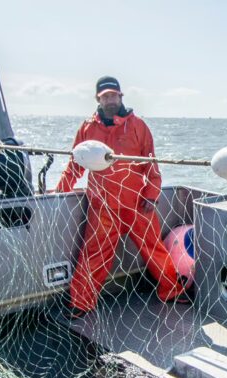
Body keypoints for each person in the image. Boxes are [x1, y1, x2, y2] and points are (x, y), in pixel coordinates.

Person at [56, 76, 188, 317]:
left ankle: (172, 291)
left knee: (154, 249)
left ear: (121, 96)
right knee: (94, 254)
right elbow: (76, 164)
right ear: (98, 98)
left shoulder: (138, 126)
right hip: (102, 205)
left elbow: (152, 164)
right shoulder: (87, 128)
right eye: (105, 96)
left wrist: (152, 193)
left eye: (114, 95)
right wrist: (60, 191)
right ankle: (81, 303)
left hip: (138, 203)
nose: (110, 100)